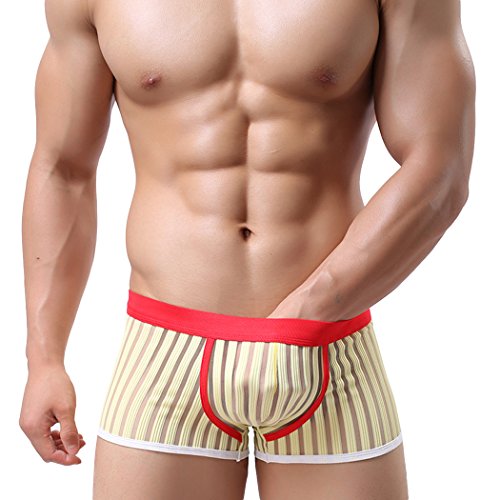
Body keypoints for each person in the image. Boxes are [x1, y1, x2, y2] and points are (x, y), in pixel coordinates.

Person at [19, 0, 475, 498]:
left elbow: (440, 166)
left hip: (329, 348)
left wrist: (311, 311)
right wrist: (44, 359)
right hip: (163, 357)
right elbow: (63, 170)